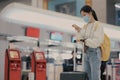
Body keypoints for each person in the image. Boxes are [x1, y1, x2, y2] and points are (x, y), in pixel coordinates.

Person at [72, 5, 104, 80]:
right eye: (82, 16)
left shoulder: (98, 25)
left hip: (95, 52)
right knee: (86, 76)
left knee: (95, 77)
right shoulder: (85, 26)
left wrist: (84, 41)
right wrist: (79, 30)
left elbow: (97, 41)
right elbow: (82, 37)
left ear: (90, 13)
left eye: (84, 15)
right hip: (86, 52)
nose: (84, 17)